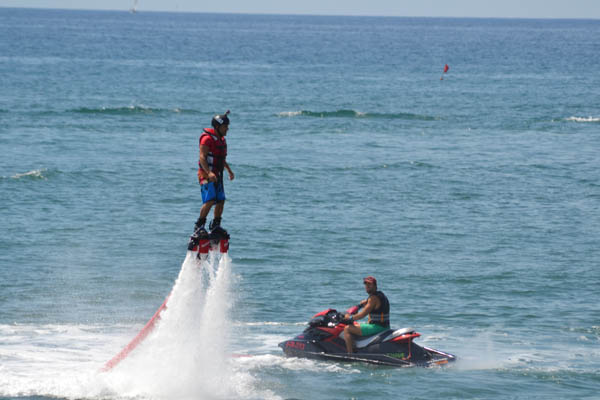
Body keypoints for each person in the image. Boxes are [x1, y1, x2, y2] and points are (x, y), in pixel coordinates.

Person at [188, 110, 235, 249]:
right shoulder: (206, 139)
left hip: (217, 174)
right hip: (205, 174)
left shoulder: (222, 140)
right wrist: (208, 173)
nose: (227, 129)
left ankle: (216, 225)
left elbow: (221, 159)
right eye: (225, 127)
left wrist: (229, 170)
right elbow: (202, 157)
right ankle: (199, 226)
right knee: (210, 200)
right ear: (217, 127)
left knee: (220, 200)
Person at [343, 276, 390, 353]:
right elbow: (368, 304)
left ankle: (350, 354)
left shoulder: (373, 298)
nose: (367, 286)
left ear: (375, 286)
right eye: (366, 284)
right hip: (384, 326)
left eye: (370, 284)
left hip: (378, 327)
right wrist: (359, 306)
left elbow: (362, 314)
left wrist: (350, 318)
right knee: (356, 324)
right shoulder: (380, 295)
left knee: (347, 329)